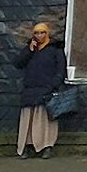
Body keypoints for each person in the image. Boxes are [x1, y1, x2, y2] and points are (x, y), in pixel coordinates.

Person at [13, 22, 68, 159]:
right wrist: (29, 51)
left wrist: (53, 85)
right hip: (31, 88)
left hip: (47, 89)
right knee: (29, 120)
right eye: (36, 33)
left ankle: (46, 146)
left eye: (42, 33)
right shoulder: (31, 49)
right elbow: (18, 64)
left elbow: (61, 70)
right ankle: (28, 145)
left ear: (47, 33)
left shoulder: (55, 50)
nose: (39, 36)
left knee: (44, 120)